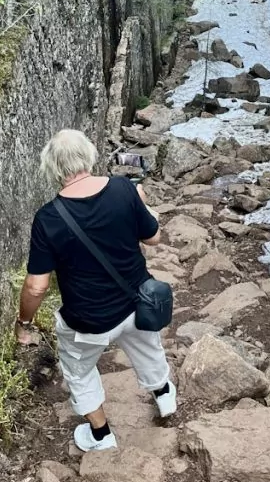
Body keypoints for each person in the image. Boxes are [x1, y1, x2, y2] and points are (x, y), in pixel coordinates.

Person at [16, 129, 176, 452]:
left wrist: (24, 323)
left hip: (87, 321)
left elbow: (37, 286)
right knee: (147, 346)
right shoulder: (123, 189)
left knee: (77, 368)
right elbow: (154, 238)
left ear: (53, 169)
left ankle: (101, 435)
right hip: (136, 303)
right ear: (88, 156)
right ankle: (164, 395)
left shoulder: (48, 219)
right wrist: (140, 204)